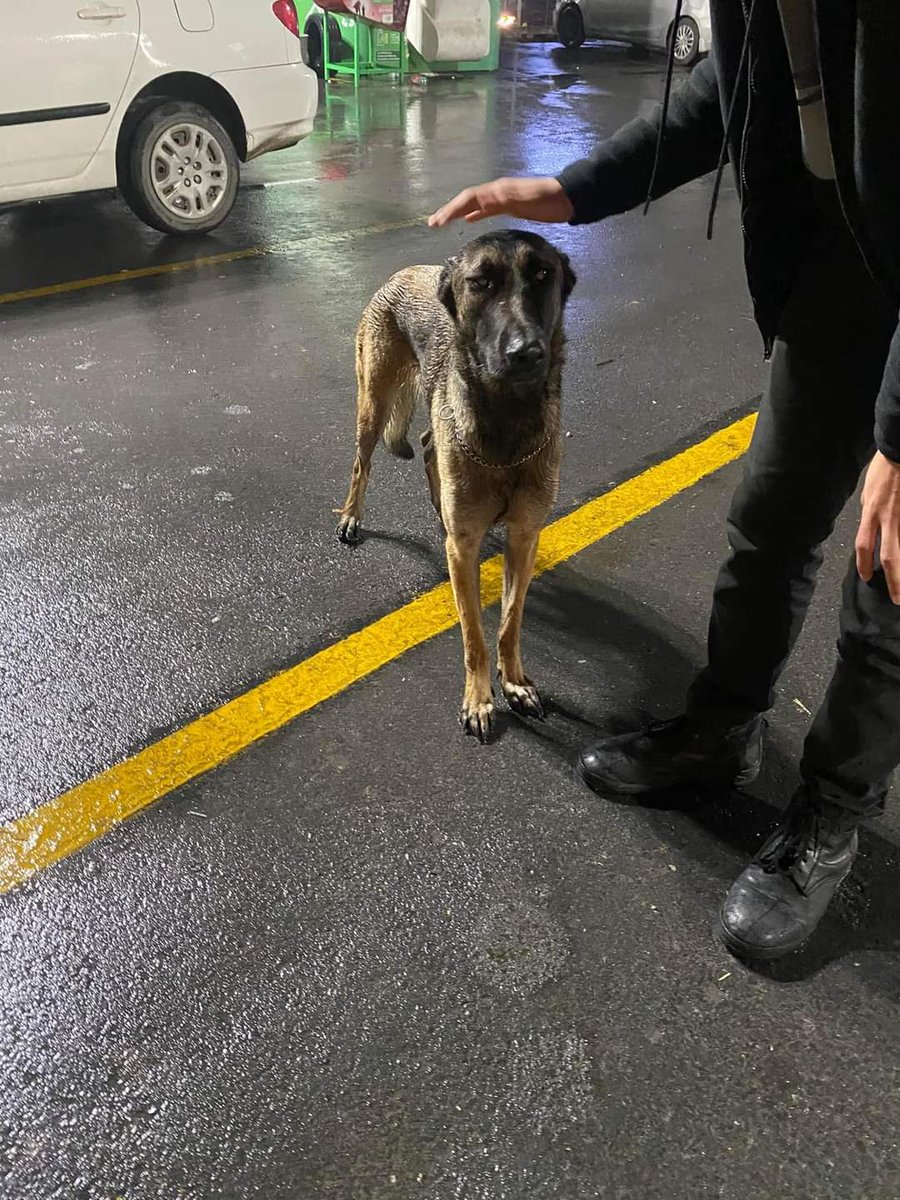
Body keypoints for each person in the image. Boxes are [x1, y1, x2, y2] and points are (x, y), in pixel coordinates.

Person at [428, 2, 900, 962]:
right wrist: (569, 189)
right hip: (843, 268)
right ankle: (723, 730)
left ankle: (832, 815)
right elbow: (732, 89)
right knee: (771, 516)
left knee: (890, 577)